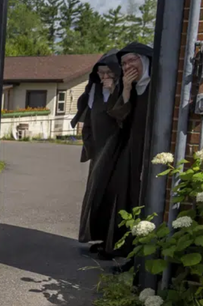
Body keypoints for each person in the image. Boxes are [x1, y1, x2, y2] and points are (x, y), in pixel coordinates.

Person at [100, 42, 153, 263]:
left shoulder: (157, 86)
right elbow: (120, 117)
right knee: (125, 198)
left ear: (145, 61)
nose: (128, 66)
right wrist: (127, 90)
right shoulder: (130, 88)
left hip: (149, 152)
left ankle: (141, 258)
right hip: (132, 148)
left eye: (132, 60)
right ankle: (125, 251)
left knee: (146, 202)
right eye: (124, 63)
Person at [72, 49, 124, 255]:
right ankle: (96, 237)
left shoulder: (121, 90)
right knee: (95, 194)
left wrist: (113, 91)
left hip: (116, 149)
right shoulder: (93, 90)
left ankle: (111, 244)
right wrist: (88, 145)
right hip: (99, 151)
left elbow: (121, 116)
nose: (104, 77)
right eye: (101, 73)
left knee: (111, 195)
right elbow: (88, 119)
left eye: (108, 73)